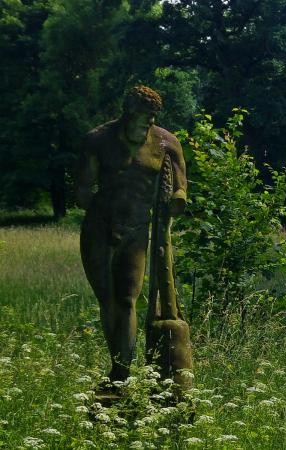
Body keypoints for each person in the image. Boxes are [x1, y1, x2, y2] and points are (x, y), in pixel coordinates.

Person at [76, 86, 187, 382]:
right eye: (142, 116)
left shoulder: (166, 143)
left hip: (137, 230)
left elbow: (180, 187)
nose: (148, 122)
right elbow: (83, 191)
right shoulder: (98, 140)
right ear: (127, 113)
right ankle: (117, 366)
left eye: (152, 117)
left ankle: (123, 371)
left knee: (126, 299)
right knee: (107, 299)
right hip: (99, 228)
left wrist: (174, 199)